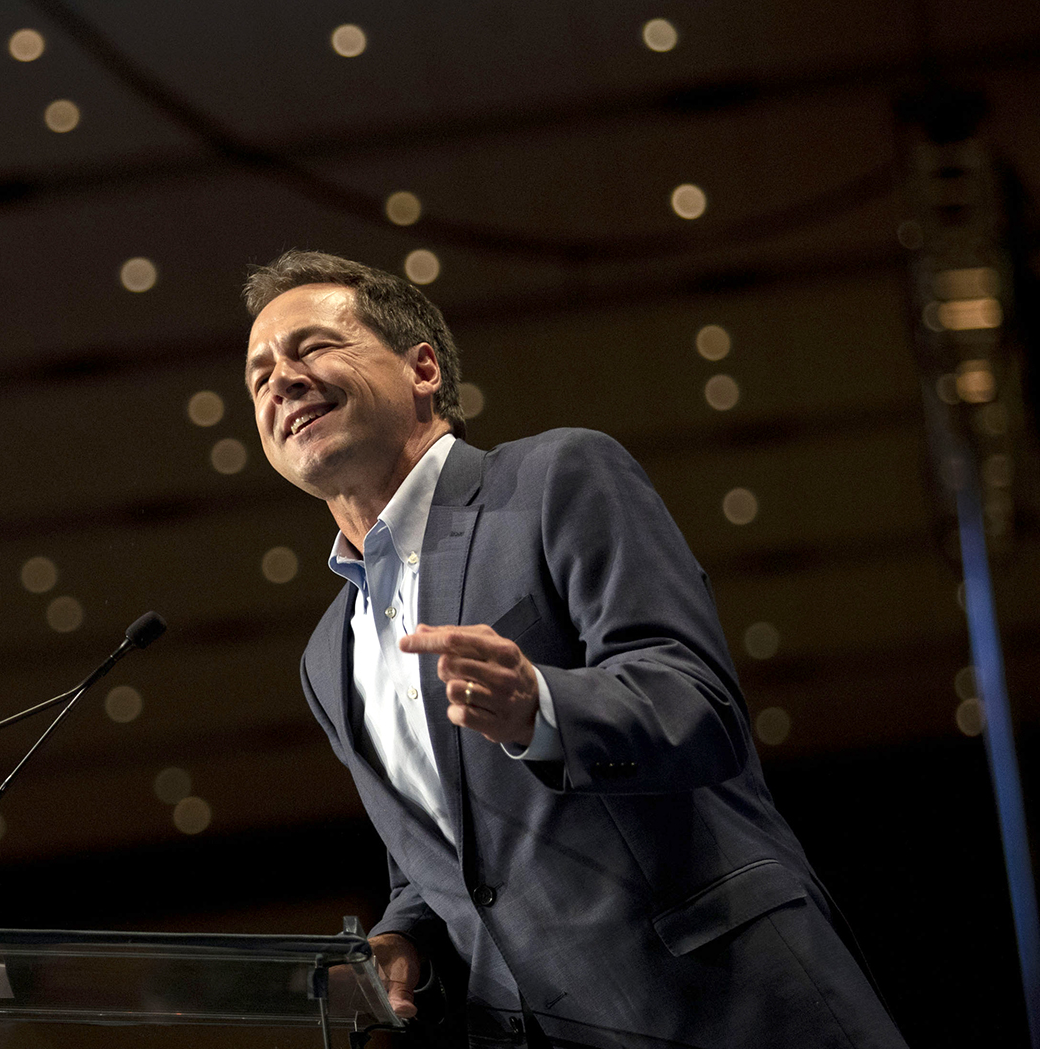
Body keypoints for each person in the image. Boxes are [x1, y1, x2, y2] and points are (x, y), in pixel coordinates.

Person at [242, 250, 907, 1049]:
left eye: (311, 346)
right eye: (258, 376)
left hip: (720, 1001)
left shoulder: (554, 477)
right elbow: (437, 856)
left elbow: (700, 704)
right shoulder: (327, 655)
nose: (280, 379)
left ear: (423, 368)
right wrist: (403, 937)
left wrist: (541, 706)